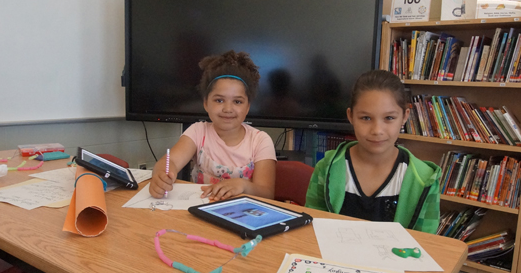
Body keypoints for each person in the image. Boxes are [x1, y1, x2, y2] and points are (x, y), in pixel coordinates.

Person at [305, 70, 442, 233]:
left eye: (389, 118)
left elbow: (427, 242)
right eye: (366, 118)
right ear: (351, 116)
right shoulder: (327, 168)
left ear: (405, 116)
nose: (377, 130)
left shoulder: (425, 179)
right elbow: (313, 228)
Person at [150, 50, 277, 201]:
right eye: (219, 100)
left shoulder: (260, 141)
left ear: (248, 107)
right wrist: (160, 174)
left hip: (242, 213)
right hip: (200, 209)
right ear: (206, 103)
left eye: (237, 101)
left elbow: (267, 193)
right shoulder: (197, 131)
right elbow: (170, 162)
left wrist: (244, 186)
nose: (228, 109)